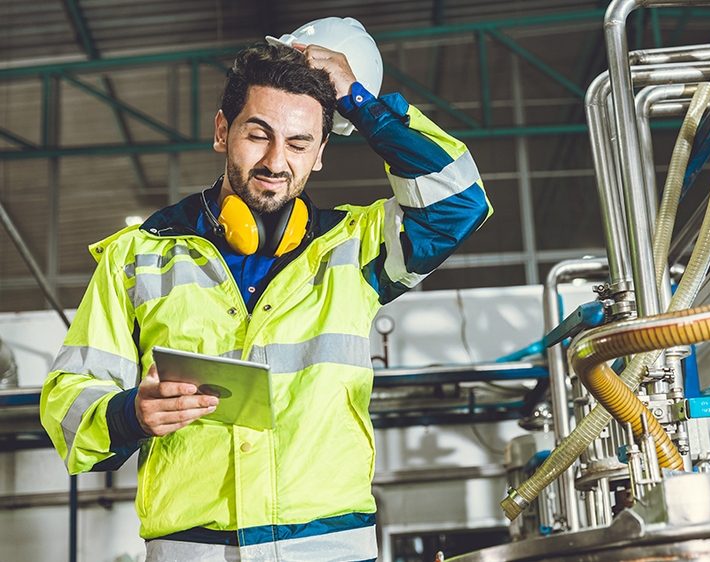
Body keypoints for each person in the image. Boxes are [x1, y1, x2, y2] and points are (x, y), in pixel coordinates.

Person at [39, 18, 489, 562]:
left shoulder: (356, 248)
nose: (277, 162)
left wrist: (360, 102)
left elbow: (458, 202)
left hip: (330, 550)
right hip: (192, 553)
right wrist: (131, 414)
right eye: (258, 134)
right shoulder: (138, 256)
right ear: (222, 131)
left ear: (321, 151)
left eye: (300, 142)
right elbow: (69, 400)